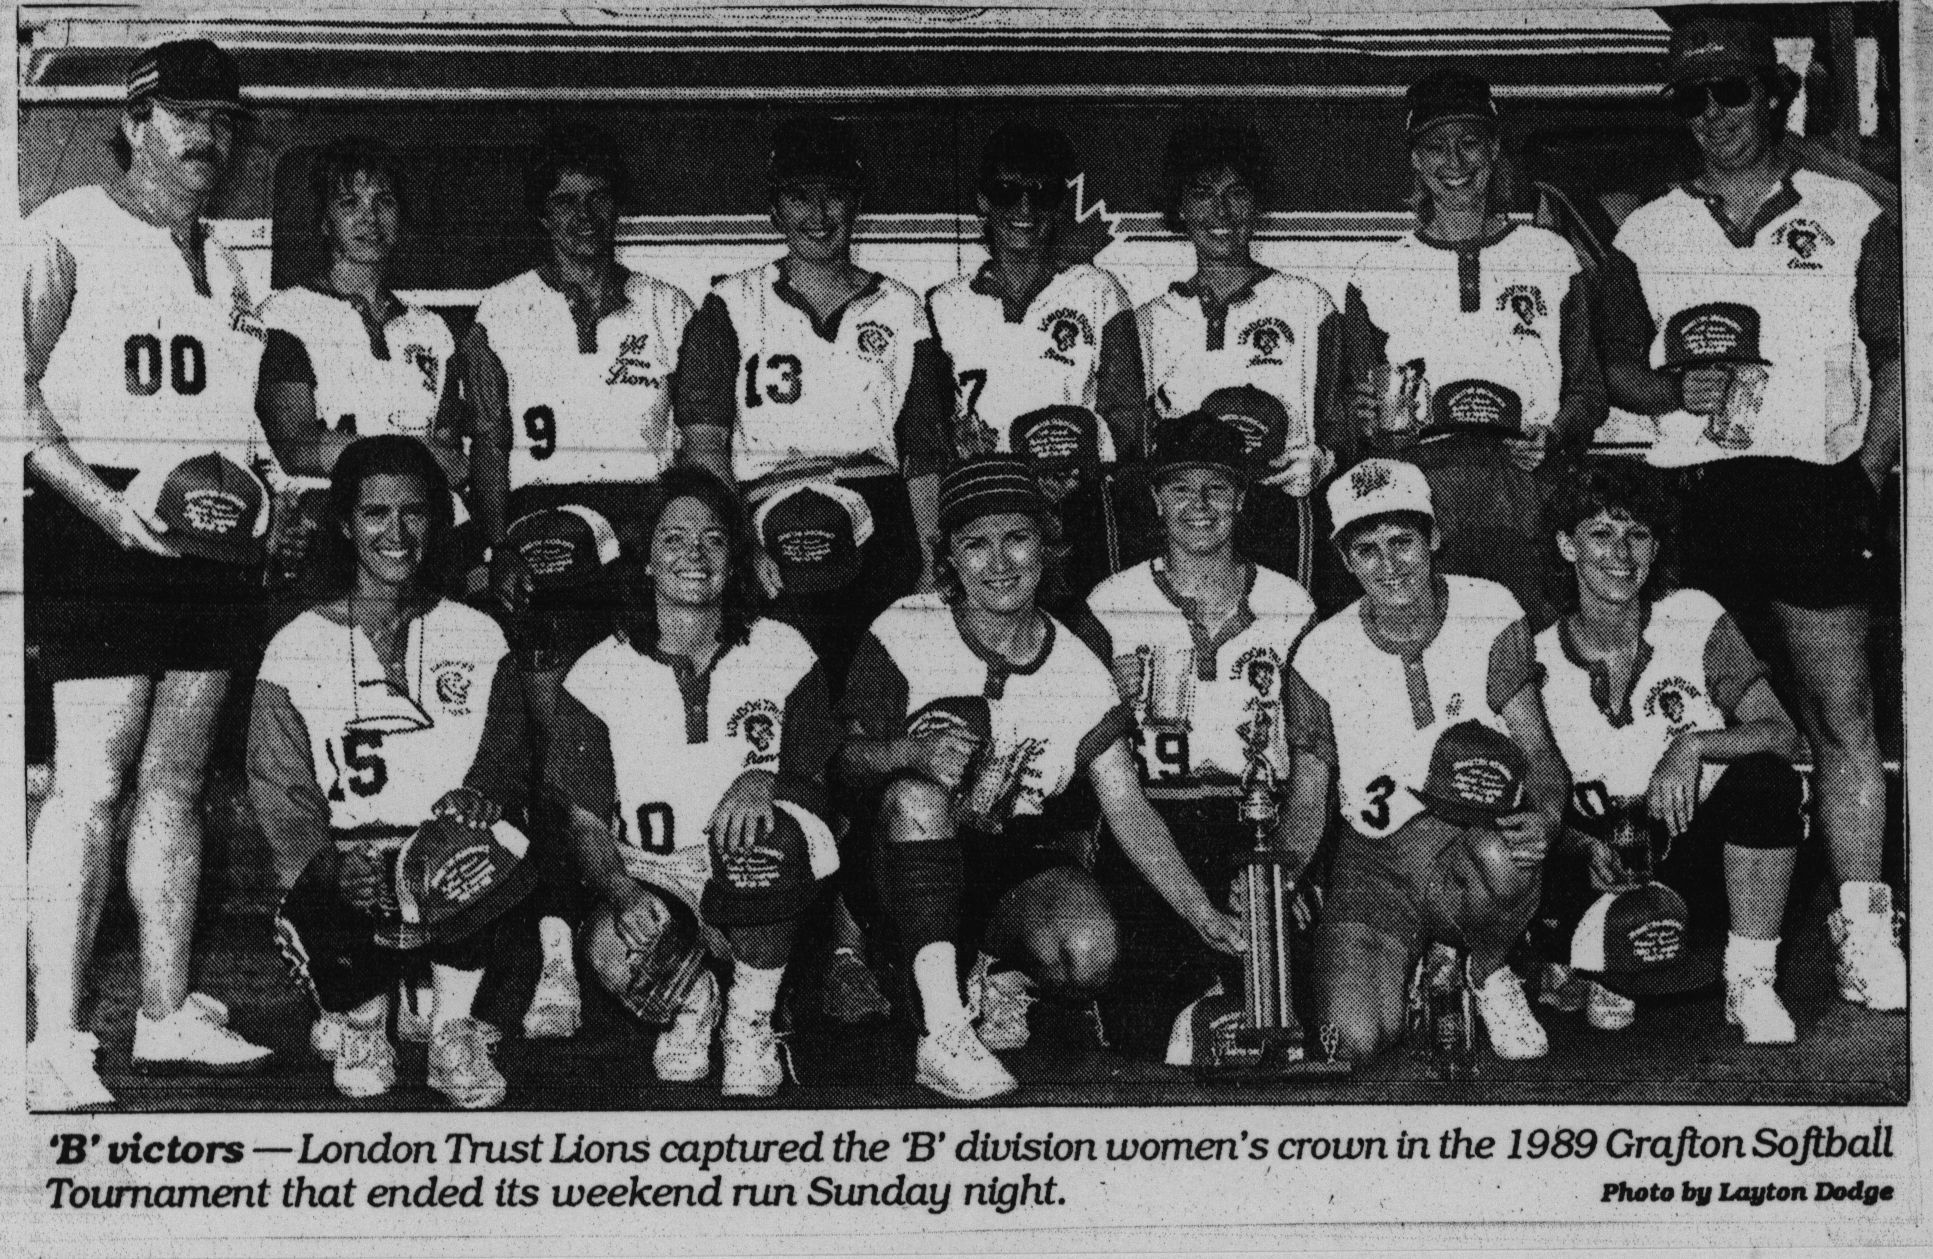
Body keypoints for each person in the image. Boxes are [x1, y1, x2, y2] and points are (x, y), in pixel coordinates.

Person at [1603, 17, 1905, 1012]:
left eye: (1728, 91)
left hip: (1814, 486)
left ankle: (1863, 928)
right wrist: (1667, 392)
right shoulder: (1645, 229)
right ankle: (1700, 943)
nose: (1711, 115)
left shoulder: (1852, 209)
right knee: (1700, 719)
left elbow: (1895, 352)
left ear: (1772, 94)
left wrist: (1864, 471)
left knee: (1840, 715)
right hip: (1695, 496)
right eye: (1690, 100)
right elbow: (1614, 368)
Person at [24, 38, 274, 1108]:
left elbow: (233, 416)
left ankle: (167, 1013)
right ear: (134, 125)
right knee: (90, 782)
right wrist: (101, 505)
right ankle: (54, 1039)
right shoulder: (65, 228)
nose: (206, 136)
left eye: (222, 120)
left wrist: (270, 492)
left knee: (177, 782)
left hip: (210, 526)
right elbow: (7, 395)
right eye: (183, 116)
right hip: (101, 516)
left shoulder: (231, 263)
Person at [839, 455, 1244, 1099]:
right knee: (918, 799)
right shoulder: (907, 627)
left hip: (1005, 861)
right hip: (897, 858)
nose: (999, 562)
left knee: (1088, 953)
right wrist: (908, 754)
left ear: (1047, 547)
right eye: (976, 544)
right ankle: (943, 1032)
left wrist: (1204, 914)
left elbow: (1126, 806)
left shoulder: (1079, 666)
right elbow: (842, 763)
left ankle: (990, 972)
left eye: (1017, 539)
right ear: (950, 557)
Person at [675, 114, 950, 1024]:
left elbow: (921, 450)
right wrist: (737, 547)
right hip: (770, 525)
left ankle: (860, 947)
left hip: (874, 529)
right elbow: (705, 442)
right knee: (790, 731)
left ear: (857, 202)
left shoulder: (900, 307)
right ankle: (789, 948)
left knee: (868, 730)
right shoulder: (730, 303)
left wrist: (927, 564)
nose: (818, 214)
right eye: (799, 196)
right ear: (773, 207)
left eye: (834, 195)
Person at [465, 126, 696, 1037]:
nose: (583, 216)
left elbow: (696, 444)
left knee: (641, 735)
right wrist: (498, 548)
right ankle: (557, 953)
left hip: (641, 533)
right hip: (544, 534)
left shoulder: (668, 306)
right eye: (564, 200)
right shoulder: (501, 309)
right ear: (540, 213)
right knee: (555, 749)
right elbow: (490, 443)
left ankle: (646, 922)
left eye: (598, 197)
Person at [249, 437, 534, 1107]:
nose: (396, 533)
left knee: (490, 848)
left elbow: (508, 751)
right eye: (375, 513)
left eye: (414, 512)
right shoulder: (296, 644)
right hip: (352, 859)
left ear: (436, 521)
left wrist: (483, 795)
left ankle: (451, 1031)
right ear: (346, 525)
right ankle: (362, 1024)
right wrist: (324, 864)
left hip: (442, 857)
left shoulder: (477, 632)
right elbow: (279, 789)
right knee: (325, 892)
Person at [546, 468, 840, 1098]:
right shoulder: (598, 671)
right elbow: (585, 822)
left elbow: (821, 780)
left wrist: (765, 781)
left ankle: (750, 1020)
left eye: (713, 538)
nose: (695, 554)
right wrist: (621, 890)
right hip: (653, 872)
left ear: (735, 559)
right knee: (610, 948)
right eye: (674, 537)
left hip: (758, 877)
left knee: (763, 841)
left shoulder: (783, 651)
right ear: (646, 560)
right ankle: (695, 1000)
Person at [1284, 458, 1569, 1063]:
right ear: (1345, 560)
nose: (1388, 565)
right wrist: (1276, 874)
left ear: (1434, 537)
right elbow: (1309, 794)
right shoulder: (1319, 651)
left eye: (1402, 542)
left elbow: (1538, 749)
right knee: (1353, 1039)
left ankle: (1487, 968)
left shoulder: (1489, 608)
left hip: (1470, 843)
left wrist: (1545, 815)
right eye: (1367, 550)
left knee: (1505, 856)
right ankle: (1428, 967)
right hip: (1375, 863)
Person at [1533, 462, 1804, 1043]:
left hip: (1694, 853)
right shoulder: (1537, 658)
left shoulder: (1692, 617)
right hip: (1599, 859)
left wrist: (1692, 745)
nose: (1621, 554)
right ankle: (1596, 964)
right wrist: (1583, 847)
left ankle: (1750, 978)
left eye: (1637, 535)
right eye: (1601, 533)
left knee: (1767, 782)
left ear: (1655, 548)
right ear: (1567, 545)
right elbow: (1530, 801)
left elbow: (1782, 734)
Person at [1086, 413, 1320, 1060]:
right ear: (1156, 499)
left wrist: (1286, 867)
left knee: (1289, 1012)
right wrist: (1109, 694)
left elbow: (1310, 765)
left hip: (1258, 823)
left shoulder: (1291, 604)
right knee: (1142, 1026)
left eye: (1216, 488)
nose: (1199, 505)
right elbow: (1099, 772)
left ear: (1241, 499)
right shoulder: (1110, 603)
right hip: (1152, 819)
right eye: (1181, 489)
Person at [1341, 68, 1606, 627]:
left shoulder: (1550, 256)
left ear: (1494, 148)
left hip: (1527, 485)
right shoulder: (1376, 271)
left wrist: (1554, 434)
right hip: (1424, 495)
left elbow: (1588, 392)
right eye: (1435, 146)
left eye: (1469, 142)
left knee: (1533, 643)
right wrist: (1368, 418)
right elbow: (1358, 411)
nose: (1454, 161)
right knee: (1443, 646)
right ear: (1415, 160)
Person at [1137, 115, 1342, 588]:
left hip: (1281, 513)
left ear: (1257, 202)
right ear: (1180, 206)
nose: (1221, 212)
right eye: (1202, 194)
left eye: (1237, 193)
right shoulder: (1148, 321)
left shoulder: (1307, 303)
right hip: (1191, 523)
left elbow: (1342, 420)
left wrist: (1323, 460)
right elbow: (1135, 440)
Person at [256, 137, 465, 583]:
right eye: (350, 203)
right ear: (324, 221)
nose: (369, 218)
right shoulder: (284, 315)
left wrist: (357, 450)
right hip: (322, 531)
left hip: (415, 538)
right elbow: (298, 447)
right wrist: (415, 455)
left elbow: (452, 459)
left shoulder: (432, 331)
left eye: (384, 202)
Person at [927, 122, 1146, 464]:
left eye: (1042, 192)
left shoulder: (1098, 292)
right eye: (1007, 191)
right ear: (983, 200)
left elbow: (1126, 421)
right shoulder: (943, 303)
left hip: (1073, 485)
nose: (1025, 209)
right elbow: (927, 430)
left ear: (1059, 203)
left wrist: (1071, 458)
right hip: (986, 487)